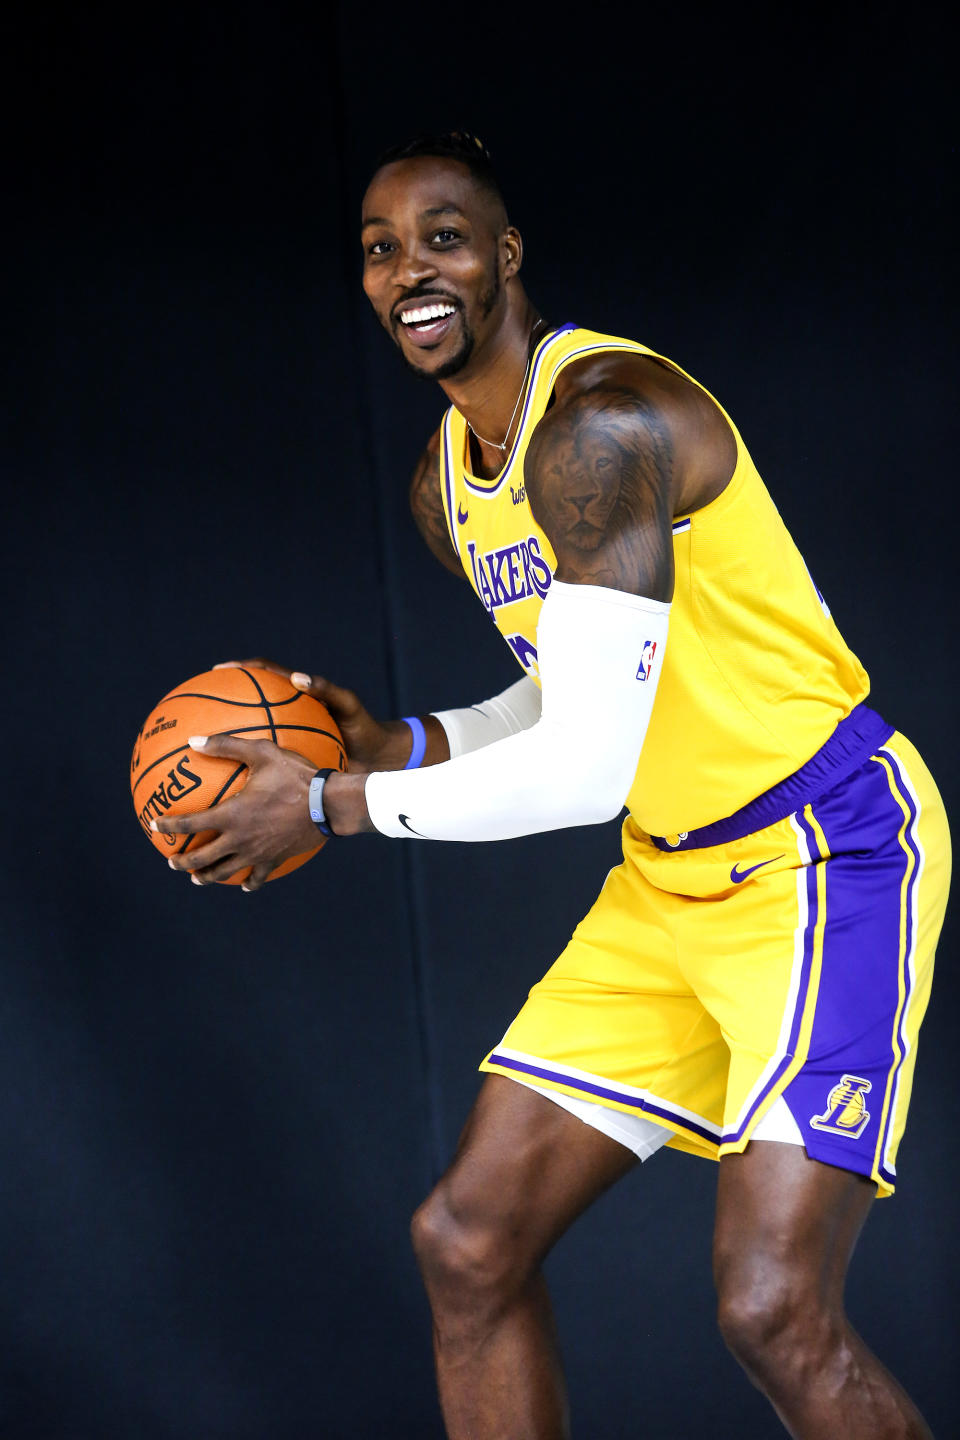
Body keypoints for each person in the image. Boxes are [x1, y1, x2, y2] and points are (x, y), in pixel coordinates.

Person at [154, 132, 951, 1438]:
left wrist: (325, 805)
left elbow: (585, 766)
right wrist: (399, 750)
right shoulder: (448, 486)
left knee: (771, 1310)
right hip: (673, 873)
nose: (410, 269)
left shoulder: (600, 429)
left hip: (827, 851)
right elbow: (575, 693)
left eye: (444, 239)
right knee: (467, 1243)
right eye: (379, 248)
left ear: (506, 256)